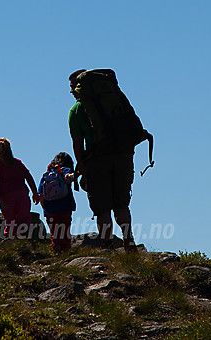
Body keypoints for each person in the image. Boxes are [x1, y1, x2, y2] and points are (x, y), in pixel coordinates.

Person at [68, 69, 136, 250]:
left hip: (96, 161)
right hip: (122, 156)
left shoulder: (76, 110)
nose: (71, 91)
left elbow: (77, 144)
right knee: (122, 204)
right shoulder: (113, 98)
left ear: (80, 86)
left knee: (102, 208)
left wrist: (81, 165)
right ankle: (129, 240)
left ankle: (107, 246)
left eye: (72, 86)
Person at [0, 138, 41, 239]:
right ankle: (24, 239)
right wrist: (35, 192)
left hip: (7, 197)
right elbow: (28, 177)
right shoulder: (17, 163)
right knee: (24, 218)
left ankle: (10, 241)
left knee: (10, 221)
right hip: (22, 195)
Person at [38, 152, 77, 253]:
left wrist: (45, 208)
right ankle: (66, 248)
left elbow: (41, 193)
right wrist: (76, 174)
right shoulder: (65, 170)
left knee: (54, 229)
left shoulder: (47, 176)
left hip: (50, 208)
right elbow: (68, 178)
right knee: (65, 227)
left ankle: (57, 248)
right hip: (65, 206)